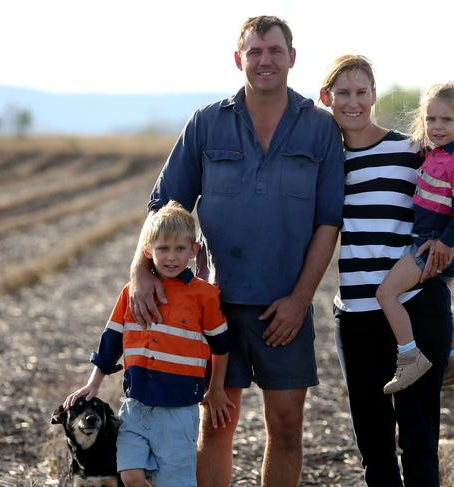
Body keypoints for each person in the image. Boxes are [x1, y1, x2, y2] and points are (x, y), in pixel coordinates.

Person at [129, 16, 344, 487]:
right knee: (216, 425)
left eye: (274, 50)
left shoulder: (319, 129)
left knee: (286, 428)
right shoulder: (207, 124)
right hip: (212, 307)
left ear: (292, 57)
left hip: (284, 309)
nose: (264, 60)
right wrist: (140, 271)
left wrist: (300, 300)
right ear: (238, 59)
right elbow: (164, 206)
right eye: (254, 51)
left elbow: (329, 223)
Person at [319, 55, 452, 486]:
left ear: (374, 95)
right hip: (354, 313)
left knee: (418, 442)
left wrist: (449, 246)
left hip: (414, 307)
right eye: (343, 93)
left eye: (361, 92)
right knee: (374, 449)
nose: (352, 102)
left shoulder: (412, 150)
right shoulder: (325, 161)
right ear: (327, 98)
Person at [63, 201, 233, 487]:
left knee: (173, 482)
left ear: (194, 250)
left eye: (180, 249)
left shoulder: (204, 295)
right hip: (136, 406)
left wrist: (216, 388)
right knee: (130, 476)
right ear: (147, 251)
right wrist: (94, 382)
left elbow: (221, 345)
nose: (171, 257)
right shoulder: (132, 292)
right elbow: (112, 338)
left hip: (178, 412)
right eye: (163, 249)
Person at [377, 81, 454, 394]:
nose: (436, 127)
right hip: (436, 241)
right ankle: (451, 358)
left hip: (434, 243)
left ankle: (410, 356)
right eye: (430, 119)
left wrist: (446, 242)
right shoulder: (441, 154)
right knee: (441, 300)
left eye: (446, 120)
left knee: (386, 294)